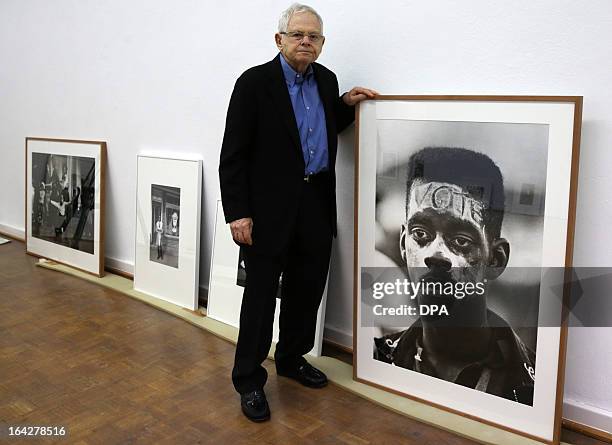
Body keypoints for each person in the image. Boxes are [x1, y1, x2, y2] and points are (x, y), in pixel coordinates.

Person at [219, 3, 376, 422]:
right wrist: (238, 213)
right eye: (298, 35)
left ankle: (290, 358)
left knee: (306, 291)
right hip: (267, 212)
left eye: (314, 36)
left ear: (322, 44)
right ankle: (249, 379)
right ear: (279, 40)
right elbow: (232, 155)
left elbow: (322, 125)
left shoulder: (326, 81)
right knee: (259, 300)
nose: (306, 41)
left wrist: (346, 104)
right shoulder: (254, 83)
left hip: (316, 204)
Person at [373, 147, 536, 405]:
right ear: (404, 245)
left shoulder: (531, 388)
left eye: (461, 240)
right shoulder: (379, 358)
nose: (435, 255)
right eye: (420, 234)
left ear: (496, 260)